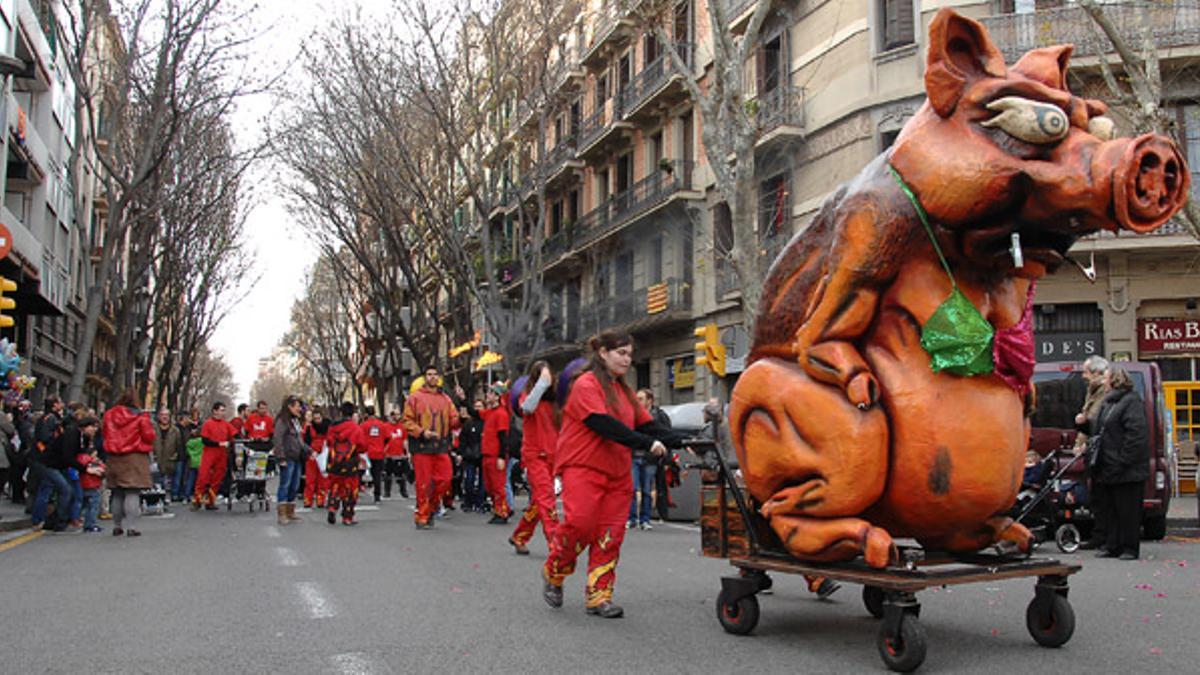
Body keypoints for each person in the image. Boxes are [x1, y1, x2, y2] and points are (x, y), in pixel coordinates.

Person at [542, 330, 690, 618]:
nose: (627, 360)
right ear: (603, 353)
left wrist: (684, 441)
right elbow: (603, 424)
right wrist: (647, 444)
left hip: (617, 472)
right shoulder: (585, 385)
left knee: (611, 534)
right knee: (580, 525)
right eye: (621, 353)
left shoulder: (624, 391)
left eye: (629, 355)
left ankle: (599, 595)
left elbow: (647, 425)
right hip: (583, 467)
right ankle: (554, 572)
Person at [1077, 366, 1148, 561]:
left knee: (1128, 511)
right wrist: (1083, 425)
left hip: (1126, 469)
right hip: (1107, 465)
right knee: (1111, 510)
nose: (1103, 382)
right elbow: (1099, 430)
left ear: (1115, 380)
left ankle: (1129, 547)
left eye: (1106, 378)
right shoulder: (1109, 403)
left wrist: (1123, 460)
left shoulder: (1131, 402)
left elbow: (1136, 435)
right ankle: (1112, 545)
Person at [509, 361, 560, 555]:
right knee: (546, 499)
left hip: (554, 457)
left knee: (540, 502)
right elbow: (527, 408)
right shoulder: (529, 397)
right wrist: (542, 383)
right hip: (534, 456)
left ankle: (519, 536)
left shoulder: (556, 402)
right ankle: (556, 545)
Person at [402, 365, 460, 530]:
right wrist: (422, 432)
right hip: (422, 447)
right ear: (424, 378)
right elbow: (407, 421)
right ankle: (422, 515)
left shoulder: (446, 399)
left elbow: (453, 421)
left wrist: (462, 416)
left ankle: (432, 508)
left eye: (435, 374)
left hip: (441, 446)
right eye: (429, 374)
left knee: (446, 479)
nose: (433, 377)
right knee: (424, 483)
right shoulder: (414, 398)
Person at [102, 390, 157, 537]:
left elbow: (104, 433)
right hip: (134, 456)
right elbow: (149, 436)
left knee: (117, 492)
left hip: (114, 456)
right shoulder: (140, 417)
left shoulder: (109, 415)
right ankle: (131, 527)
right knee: (132, 491)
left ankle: (116, 526)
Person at [1074, 355, 1110, 550]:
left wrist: (1084, 420)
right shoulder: (1093, 390)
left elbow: (1097, 419)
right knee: (1095, 496)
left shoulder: (1103, 391)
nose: (1083, 376)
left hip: (1100, 451)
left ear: (1097, 373)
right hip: (1092, 449)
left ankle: (1103, 536)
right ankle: (1100, 534)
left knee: (1102, 497)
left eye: (1086, 372)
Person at [628, 388, 666, 530]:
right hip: (634, 456)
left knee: (646, 490)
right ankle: (631, 518)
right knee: (632, 488)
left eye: (641, 399)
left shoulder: (657, 416)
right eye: (636, 399)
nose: (637, 402)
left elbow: (664, 434)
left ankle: (645, 519)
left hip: (650, 458)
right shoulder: (631, 414)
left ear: (649, 401)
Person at [193, 402, 237, 510]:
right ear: (215, 411)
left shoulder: (226, 424)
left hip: (221, 454)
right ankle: (197, 500)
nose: (223, 413)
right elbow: (205, 440)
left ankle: (210, 501)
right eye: (221, 410)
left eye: (224, 410)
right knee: (203, 477)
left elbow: (235, 434)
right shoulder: (208, 424)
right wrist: (219, 443)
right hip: (210, 453)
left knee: (218, 477)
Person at [325, 402, 362, 526]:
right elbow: (362, 445)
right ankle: (347, 517)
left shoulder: (332, 427)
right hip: (350, 462)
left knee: (334, 485)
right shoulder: (355, 428)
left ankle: (332, 506)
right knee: (350, 489)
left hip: (334, 461)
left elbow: (329, 442)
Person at [273, 395, 307, 525]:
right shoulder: (282, 421)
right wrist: (281, 457)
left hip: (297, 457)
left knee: (295, 485)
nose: (300, 409)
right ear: (290, 407)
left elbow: (300, 440)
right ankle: (282, 513)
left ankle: (290, 511)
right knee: (285, 484)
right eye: (297, 406)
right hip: (287, 457)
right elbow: (278, 439)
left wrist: (309, 451)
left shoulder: (296, 421)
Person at [479, 388, 511, 524]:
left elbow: (503, 437)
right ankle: (499, 509)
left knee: (498, 486)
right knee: (490, 486)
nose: (488, 395)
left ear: (498, 397)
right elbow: (476, 414)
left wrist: (501, 457)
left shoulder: (501, 414)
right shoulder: (490, 413)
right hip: (487, 455)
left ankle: (502, 512)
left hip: (495, 455)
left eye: (491, 393)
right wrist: (462, 398)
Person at [72, 417, 105, 532]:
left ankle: (80, 520)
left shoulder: (84, 456)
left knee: (83, 502)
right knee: (92, 503)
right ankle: (89, 523)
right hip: (90, 483)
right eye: (93, 427)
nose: (95, 429)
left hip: (86, 482)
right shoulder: (86, 459)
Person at [356, 406, 389, 503]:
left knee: (359, 473)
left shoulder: (363, 425)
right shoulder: (382, 425)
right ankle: (377, 496)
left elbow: (359, 438)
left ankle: (355, 492)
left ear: (366, 414)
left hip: (366, 453)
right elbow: (387, 438)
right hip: (379, 453)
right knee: (377, 475)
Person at [458, 404, 484, 512]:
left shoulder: (486, 422)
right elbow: (463, 440)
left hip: (483, 454)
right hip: (470, 456)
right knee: (469, 479)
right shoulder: (468, 424)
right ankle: (468, 501)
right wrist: (461, 453)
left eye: (480, 406)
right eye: (476, 406)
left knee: (483, 481)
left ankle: (480, 502)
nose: (478, 408)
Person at [303, 410, 331, 508]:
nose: (317, 421)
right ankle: (308, 500)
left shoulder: (328, 427)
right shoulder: (308, 428)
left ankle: (321, 500)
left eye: (318, 418)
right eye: (315, 419)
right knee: (310, 480)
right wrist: (309, 453)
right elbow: (305, 442)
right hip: (312, 456)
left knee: (323, 480)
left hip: (323, 455)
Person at [152, 409, 182, 499]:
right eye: (162, 415)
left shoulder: (175, 430)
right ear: (158, 416)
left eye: (167, 415)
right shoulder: (153, 428)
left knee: (167, 483)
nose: (164, 417)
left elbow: (179, 445)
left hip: (169, 461)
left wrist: (175, 456)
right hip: (155, 460)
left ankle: (166, 498)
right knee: (155, 484)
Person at [384, 410, 408, 499]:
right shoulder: (385, 426)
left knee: (402, 474)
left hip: (400, 453)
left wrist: (407, 452)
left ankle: (403, 490)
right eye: (397, 415)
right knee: (388, 474)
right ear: (392, 416)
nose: (399, 416)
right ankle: (387, 491)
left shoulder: (402, 427)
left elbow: (405, 440)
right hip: (389, 454)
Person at [172, 412, 196, 501]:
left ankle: (182, 493)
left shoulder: (189, 428)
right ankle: (175, 493)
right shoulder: (176, 428)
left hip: (186, 454)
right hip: (179, 454)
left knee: (184, 476)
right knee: (178, 475)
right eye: (188, 418)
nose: (189, 420)